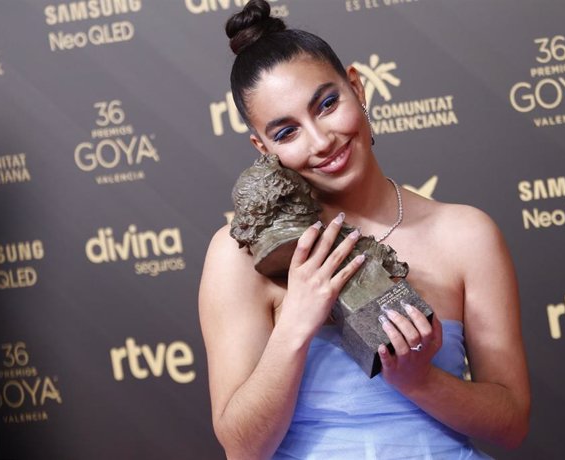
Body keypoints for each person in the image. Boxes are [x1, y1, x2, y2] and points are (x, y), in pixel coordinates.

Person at [198, 1, 530, 458]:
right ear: (263, 147)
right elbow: (241, 449)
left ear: (356, 86)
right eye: (287, 132)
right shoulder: (239, 255)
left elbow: (511, 424)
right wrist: (295, 324)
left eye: (327, 104)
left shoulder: (466, 235)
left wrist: (419, 380)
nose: (321, 141)